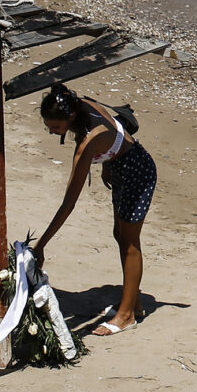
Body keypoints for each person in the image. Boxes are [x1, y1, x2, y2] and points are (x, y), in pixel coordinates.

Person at [33, 82, 156, 335]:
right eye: (48, 126)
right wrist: (108, 164)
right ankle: (134, 302)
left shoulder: (89, 142)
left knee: (130, 241)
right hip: (121, 167)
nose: (52, 132)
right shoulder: (79, 104)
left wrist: (41, 244)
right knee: (119, 235)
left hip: (139, 172)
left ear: (70, 117)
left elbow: (68, 203)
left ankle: (127, 316)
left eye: (55, 127)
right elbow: (118, 128)